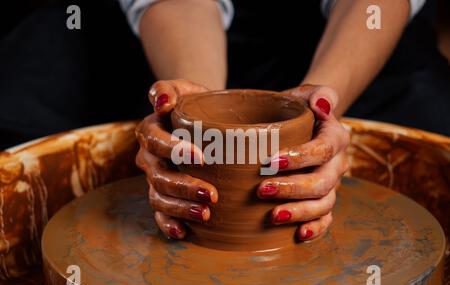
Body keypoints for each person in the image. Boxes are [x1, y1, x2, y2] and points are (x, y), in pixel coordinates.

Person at [1, 1, 449, 241]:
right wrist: (194, 108)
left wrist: (316, 110)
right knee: (21, 114)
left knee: (435, 128)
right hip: (167, 29)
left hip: (345, 30)